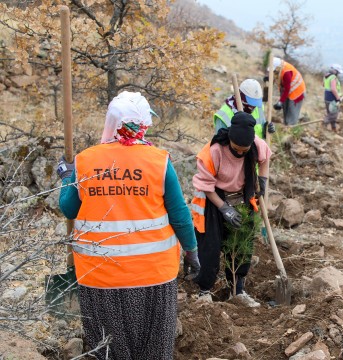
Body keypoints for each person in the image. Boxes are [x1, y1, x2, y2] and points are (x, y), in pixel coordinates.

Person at [57, 91, 199, 360]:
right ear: (143, 123)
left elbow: (68, 208)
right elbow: (180, 214)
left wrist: (67, 176)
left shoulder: (86, 160)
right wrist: (191, 251)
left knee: (110, 351)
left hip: (100, 278)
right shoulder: (158, 161)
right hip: (153, 276)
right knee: (154, 350)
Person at [190, 112, 272, 308]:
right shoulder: (214, 151)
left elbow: (265, 158)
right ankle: (204, 292)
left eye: (245, 150)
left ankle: (237, 290)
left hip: (242, 197)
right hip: (214, 199)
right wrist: (224, 208)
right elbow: (206, 186)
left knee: (241, 246)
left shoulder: (256, 144)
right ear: (230, 141)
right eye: (237, 149)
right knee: (210, 246)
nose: (241, 153)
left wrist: (263, 180)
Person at [271, 57, 306, 126]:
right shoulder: (279, 68)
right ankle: (286, 125)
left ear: (278, 67)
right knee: (286, 110)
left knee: (292, 113)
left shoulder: (287, 73)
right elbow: (277, 76)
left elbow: (287, 89)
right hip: (288, 90)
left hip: (297, 93)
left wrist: (280, 102)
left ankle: (291, 128)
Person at [323, 63, 343, 132]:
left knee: (330, 112)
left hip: (326, 97)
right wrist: (338, 98)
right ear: (335, 71)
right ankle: (324, 125)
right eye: (338, 72)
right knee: (333, 115)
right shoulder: (333, 77)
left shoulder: (326, 76)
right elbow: (333, 89)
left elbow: (324, 85)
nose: (338, 74)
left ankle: (333, 128)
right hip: (332, 99)